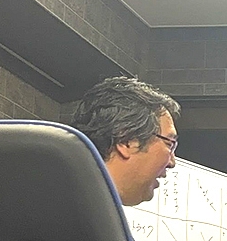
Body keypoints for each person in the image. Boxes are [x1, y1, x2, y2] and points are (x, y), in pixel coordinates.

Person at [71, 76, 180, 207]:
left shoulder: (68, 198)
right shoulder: (74, 212)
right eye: (169, 144)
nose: (172, 162)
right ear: (127, 141)